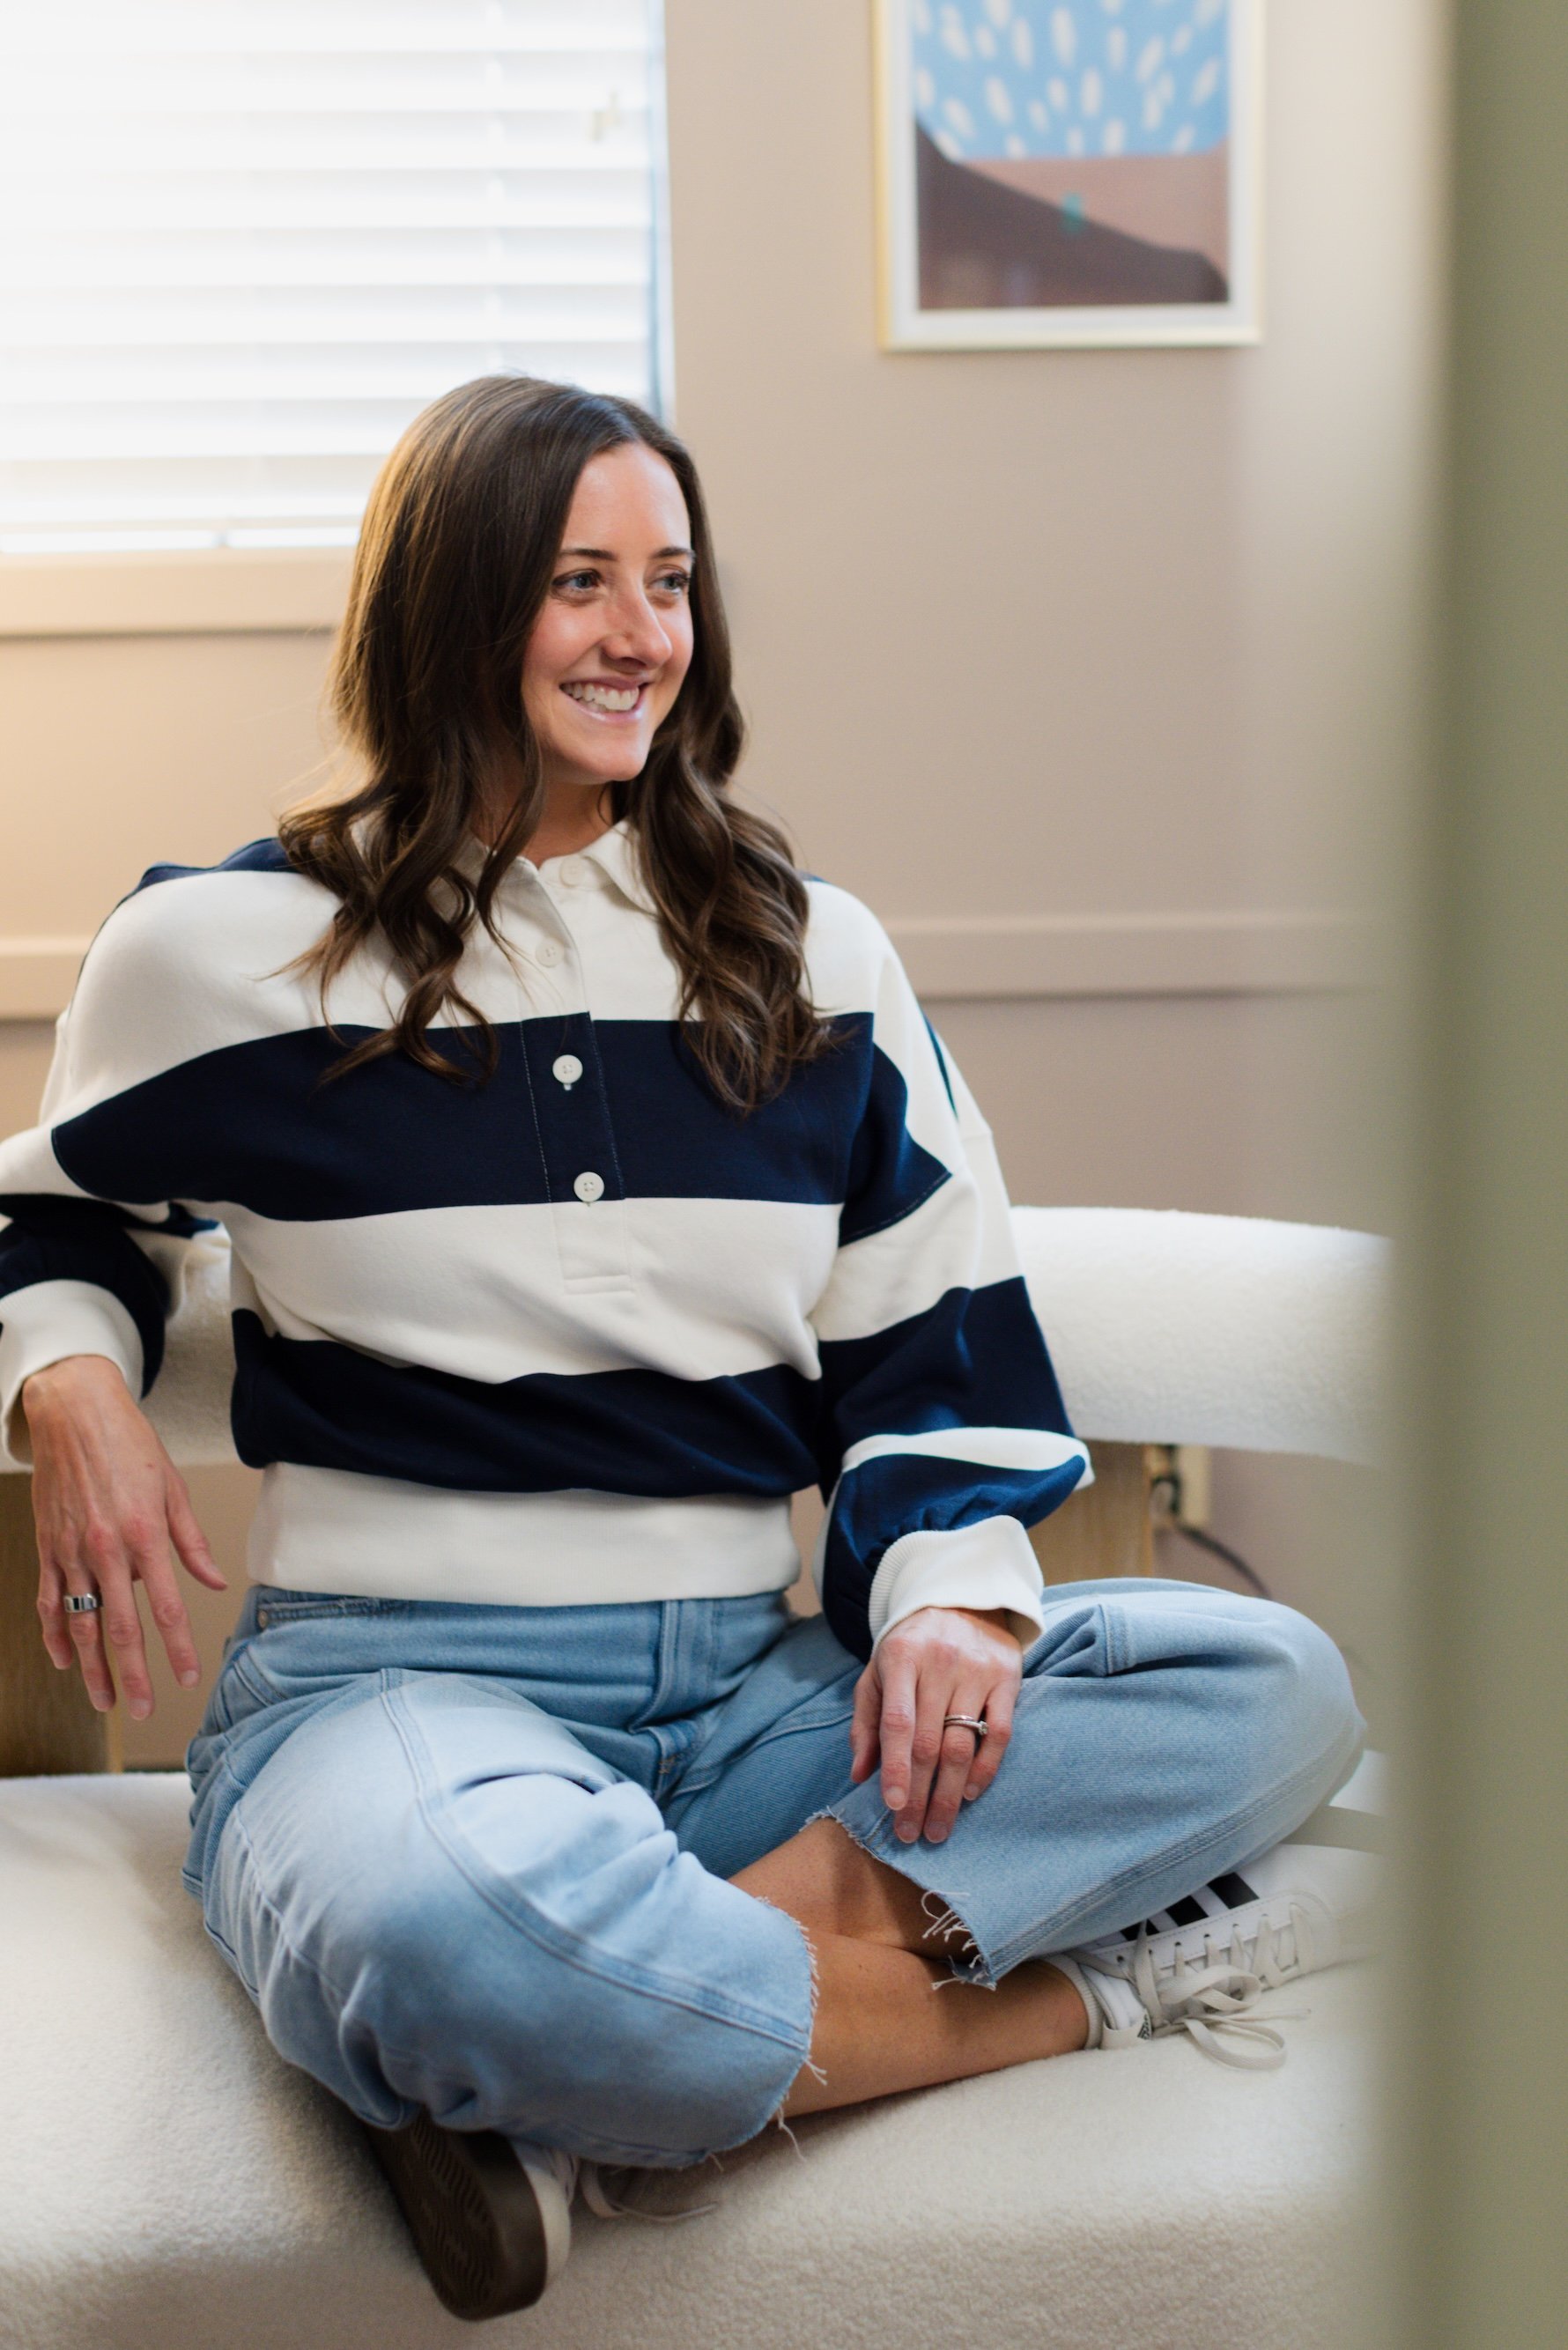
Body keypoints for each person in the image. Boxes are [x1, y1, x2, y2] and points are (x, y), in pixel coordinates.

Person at [0, 377, 1366, 2321]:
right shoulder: (225, 951)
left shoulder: (814, 953)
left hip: (754, 1702)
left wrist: (951, 1607)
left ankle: (604, 2062)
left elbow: (937, 1345)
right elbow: (44, 1213)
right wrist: (67, 1375)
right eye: (578, 580)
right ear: (450, 603)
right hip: (391, 1693)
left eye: (669, 580)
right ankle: (1084, 1995)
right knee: (441, 1934)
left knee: (1261, 1679)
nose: (640, 634)